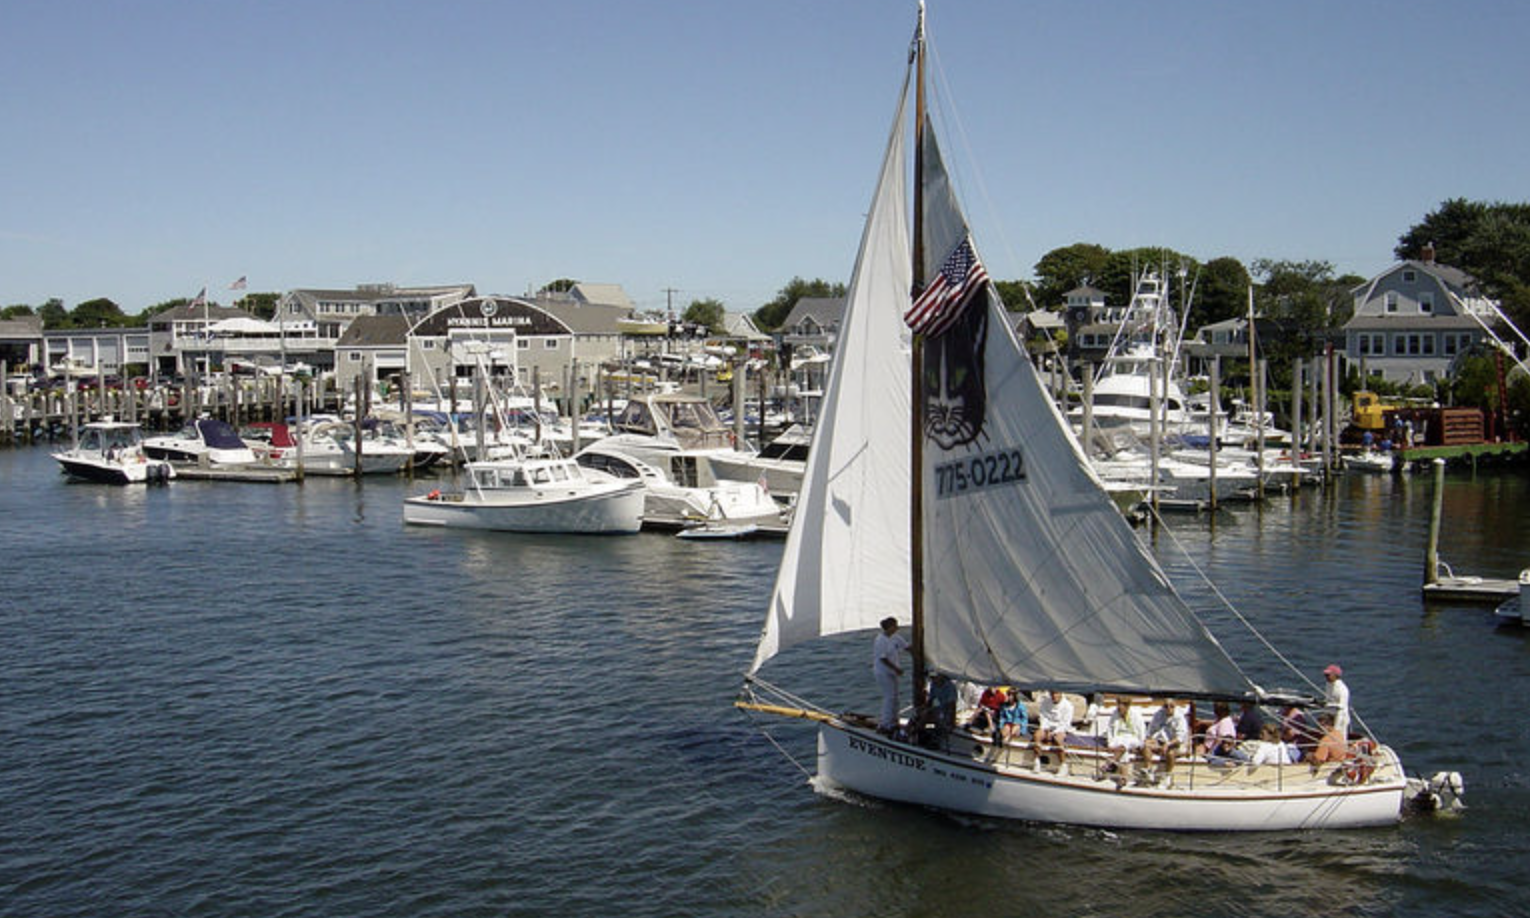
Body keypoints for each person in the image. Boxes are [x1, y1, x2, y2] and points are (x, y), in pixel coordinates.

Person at [871, 617, 909, 734]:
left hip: (892, 673)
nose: (897, 627)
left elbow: (906, 647)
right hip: (883, 673)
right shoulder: (880, 640)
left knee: (895, 697)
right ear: (889, 627)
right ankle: (885, 724)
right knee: (890, 697)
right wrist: (897, 669)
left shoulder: (895, 637)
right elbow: (883, 659)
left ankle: (894, 720)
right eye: (895, 625)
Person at [1144, 699, 1190, 786]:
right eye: (1166, 706)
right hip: (1160, 741)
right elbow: (1151, 730)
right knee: (1146, 746)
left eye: (1171, 706)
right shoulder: (1158, 714)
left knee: (1170, 753)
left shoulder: (1179, 717)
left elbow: (1180, 737)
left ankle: (1167, 776)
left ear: (1175, 706)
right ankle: (1148, 771)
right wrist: (1150, 739)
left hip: (1176, 743)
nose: (1168, 708)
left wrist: (1167, 744)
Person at [1031, 690, 1075, 774]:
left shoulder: (1068, 706)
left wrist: (1054, 732)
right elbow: (1043, 717)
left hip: (1060, 728)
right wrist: (1046, 729)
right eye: (1052, 693)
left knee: (1058, 739)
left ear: (1061, 693)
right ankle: (1037, 761)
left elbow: (1065, 723)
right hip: (1047, 727)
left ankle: (1063, 764)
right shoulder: (1045, 702)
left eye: (1056, 693)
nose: (1054, 696)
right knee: (1037, 735)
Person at [1104, 697, 1146, 782]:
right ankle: (1124, 778)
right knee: (1123, 748)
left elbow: (1142, 731)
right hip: (1118, 738)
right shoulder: (1115, 714)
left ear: (1127, 706)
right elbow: (1110, 729)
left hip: (1132, 738)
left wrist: (1140, 745)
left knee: (1124, 745)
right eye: (1118, 704)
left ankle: (1111, 764)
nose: (1119, 707)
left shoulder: (1136, 715)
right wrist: (1109, 743)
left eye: (1122, 705)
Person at [927, 672, 958, 739]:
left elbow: (952, 706)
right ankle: (912, 734)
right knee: (921, 714)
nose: (933, 680)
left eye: (934, 678)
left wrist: (952, 723)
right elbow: (930, 700)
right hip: (938, 710)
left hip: (945, 712)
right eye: (932, 678)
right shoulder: (933, 684)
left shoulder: (950, 687)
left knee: (939, 719)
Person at [1323, 664, 1351, 739]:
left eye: (1328, 675)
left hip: (1341, 717)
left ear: (1335, 675)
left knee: (1340, 737)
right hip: (1331, 715)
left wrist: (1336, 727)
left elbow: (1342, 708)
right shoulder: (1328, 685)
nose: (1326, 677)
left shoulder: (1342, 689)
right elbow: (1327, 699)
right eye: (1325, 675)